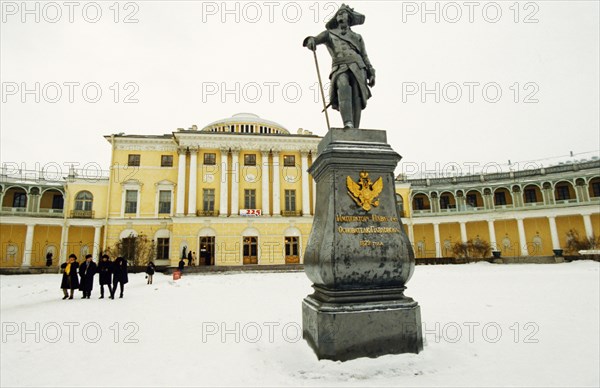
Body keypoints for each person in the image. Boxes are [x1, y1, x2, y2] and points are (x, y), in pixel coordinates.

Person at [303, 4, 375, 129]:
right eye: (339, 14)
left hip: (358, 66)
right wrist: (311, 41)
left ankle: (355, 128)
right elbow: (316, 39)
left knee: (357, 96)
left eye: (343, 13)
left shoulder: (357, 37)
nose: (341, 16)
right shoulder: (329, 34)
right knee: (343, 87)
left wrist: (371, 72)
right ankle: (348, 122)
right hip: (340, 66)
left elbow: (364, 55)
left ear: (349, 17)